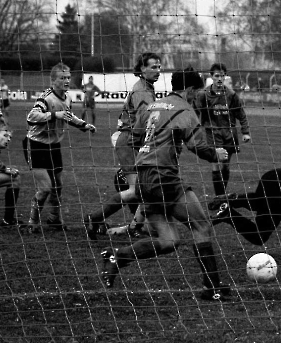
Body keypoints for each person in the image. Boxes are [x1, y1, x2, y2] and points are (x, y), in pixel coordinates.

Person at [98, 67, 231, 301]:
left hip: (144, 179)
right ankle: (213, 286)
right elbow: (197, 145)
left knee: (169, 240)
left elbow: (135, 134)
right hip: (163, 178)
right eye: (196, 92)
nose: (196, 97)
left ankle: (116, 257)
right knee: (201, 226)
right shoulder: (184, 108)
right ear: (190, 90)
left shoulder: (153, 106)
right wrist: (216, 154)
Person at [84, 52, 161, 239]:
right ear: (142, 68)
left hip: (131, 140)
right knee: (137, 191)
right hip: (130, 141)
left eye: (159, 67)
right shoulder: (142, 91)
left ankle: (135, 226)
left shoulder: (145, 87)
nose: (157, 70)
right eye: (153, 67)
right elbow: (146, 119)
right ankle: (95, 218)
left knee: (144, 189)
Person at [22, 63, 96, 233]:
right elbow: (31, 117)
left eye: (68, 77)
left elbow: (68, 116)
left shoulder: (68, 97)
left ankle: (54, 218)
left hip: (54, 145)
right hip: (36, 145)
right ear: (53, 80)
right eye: (62, 78)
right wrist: (54, 114)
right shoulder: (46, 98)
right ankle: (32, 222)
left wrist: (84, 125)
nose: (67, 80)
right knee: (45, 187)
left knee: (58, 185)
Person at [195, 63, 250, 199]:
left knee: (225, 166)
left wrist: (245, 132)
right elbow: (195, 112)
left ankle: (222, 197)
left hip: (229, 133)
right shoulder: (204, 94)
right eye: (217, 76)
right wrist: (195, 127)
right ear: (211, 77)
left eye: (222, 76)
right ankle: (220, 198)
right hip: (212, 133)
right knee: (216, 164)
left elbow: (240, 114)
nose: (220, 78)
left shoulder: (231, 95)